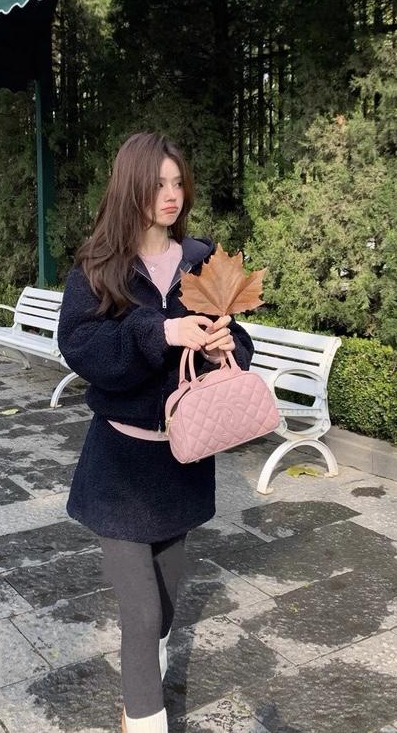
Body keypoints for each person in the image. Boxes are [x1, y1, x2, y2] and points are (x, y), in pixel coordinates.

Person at [58, 132, 254, 732]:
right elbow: (82, 347)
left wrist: (224, 348)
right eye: (158, 185)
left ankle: (144, 672)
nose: (172, 196)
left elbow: (241, 342)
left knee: (164, 608)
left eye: (177, 183)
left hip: (182, 465)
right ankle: (144, 714)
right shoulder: (100, 268)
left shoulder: (200, 259)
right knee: (141, 614)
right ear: (131, 188)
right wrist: (161, 331)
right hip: (119, 467)